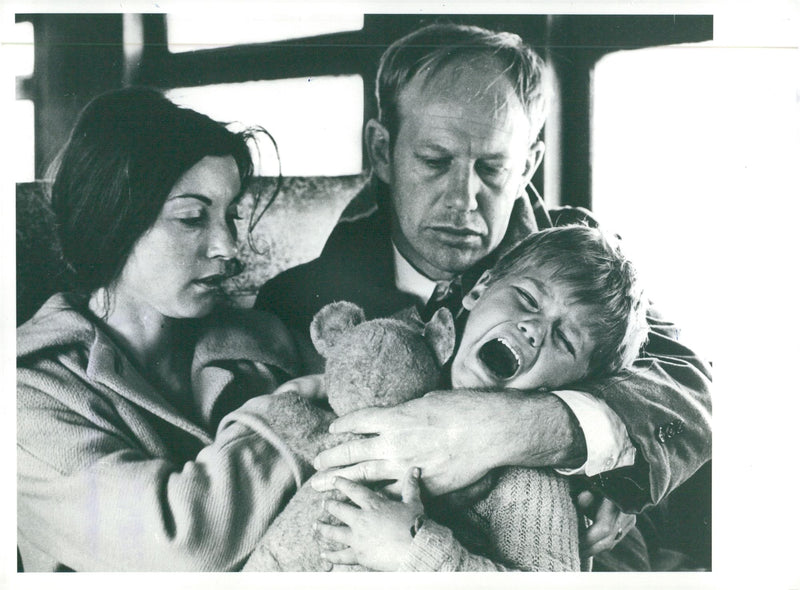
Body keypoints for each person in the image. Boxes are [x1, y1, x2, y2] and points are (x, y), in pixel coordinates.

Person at [255, 23, 712, 567]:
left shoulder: (571, 254)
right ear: (382, 151)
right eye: (435, 161)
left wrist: (523, 431)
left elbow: (688, 388)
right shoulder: (298, 297)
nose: (463, 199)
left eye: (492, 168)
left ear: (529, 166)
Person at [16, 87, 308, 571]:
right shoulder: (26, 396)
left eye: (231, 215)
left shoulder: (264, 341)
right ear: (113, 221)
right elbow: (182, 543)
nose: (229, 247)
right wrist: (299, 408)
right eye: (192, 218)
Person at [314, 225, 649, 571]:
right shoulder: (393, 374)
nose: (533, 328)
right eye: (529, 299)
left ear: (575, 386)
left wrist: (411, 553)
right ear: (479, 289)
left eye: (564, 339)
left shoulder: (532, 484)